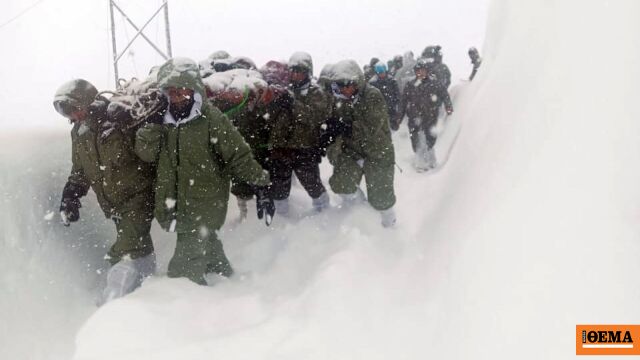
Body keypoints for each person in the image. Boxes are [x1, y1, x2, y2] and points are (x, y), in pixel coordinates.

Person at [135, 58, 273, 285]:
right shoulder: (163, 121)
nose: (177, 98)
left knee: (184, 271)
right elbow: (147, 154)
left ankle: (181, 306)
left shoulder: (211, 119)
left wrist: (261, 183)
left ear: (194, 90)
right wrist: (151, 126)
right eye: (171, 93)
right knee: (206, 244)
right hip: (176, 200)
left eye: (182, 92)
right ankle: (225, 281)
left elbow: (238, 154)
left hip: (204, 201)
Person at [53, 79, 156, 304]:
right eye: (66, 112)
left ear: (88, 103)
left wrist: (131, 124)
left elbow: (150, 152)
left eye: (74, 108)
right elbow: (80, 169)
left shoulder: (119, 119)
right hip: (114, 204)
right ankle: (148, 291)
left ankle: (113, 304)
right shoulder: (79, 133)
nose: (72, 116)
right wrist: (71, 194)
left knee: (124, 251)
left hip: (138, 196)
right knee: (138, 247)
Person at [325, 60, 397, 228]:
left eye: (345, 85)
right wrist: (331, 138)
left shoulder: (372, 95)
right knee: (341, 183)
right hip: (353, 151)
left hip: (378, 151)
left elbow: (372, 127)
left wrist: (346, 125)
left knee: (381, 197)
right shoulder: (342, 99)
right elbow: (335, 124)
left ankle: (389, 226)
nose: (342, 90)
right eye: (339, 86)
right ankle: (361, 213)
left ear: (355, 82)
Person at [267, 52, 332, 215]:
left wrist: (292, 104)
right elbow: (270, 119)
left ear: (307, 72)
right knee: (279, 187)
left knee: (312, 184)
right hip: (281, 147)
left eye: (300, 71)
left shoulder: (316, 92)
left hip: (305, 146)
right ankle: (282, 219)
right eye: (293, 71)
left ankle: (324, 213)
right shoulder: (282, 90)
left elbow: (315, 116)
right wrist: (274, 103)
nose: (295, 75)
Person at [395, 59, 453, 171]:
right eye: (418, 71)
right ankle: (419, 161)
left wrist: (448, 106)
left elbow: (444, 94)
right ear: (415, 72)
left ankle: (431, 160)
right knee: (415, 139)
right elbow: (403, 102)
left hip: (430, 116)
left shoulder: (434, 83)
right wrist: (399, 117)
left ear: (427, 71)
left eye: (422, 70)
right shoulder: (410, 85)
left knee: (430, 139)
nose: (420, 73)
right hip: (414, 117)